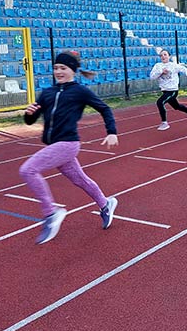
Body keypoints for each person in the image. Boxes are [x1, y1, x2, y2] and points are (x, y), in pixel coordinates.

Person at [19, 51, 119, 245]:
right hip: (54, 145)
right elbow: (31, 120)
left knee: (28, 170)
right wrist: (28, 114)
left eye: (63, 68)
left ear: (73, 70)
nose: (58, 71)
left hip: (68, 144)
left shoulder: (80, 92)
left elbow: (104, 109)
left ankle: (51, 213)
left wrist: (111, 131)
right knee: (81, 180)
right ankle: (106, 204)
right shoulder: (47, 93)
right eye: (56, 68)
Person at [150, 49, 187, 130]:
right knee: (176, 106)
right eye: (161, 55)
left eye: (165, 54)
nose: (163, 56)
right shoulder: (158, 66)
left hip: (173, 90)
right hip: (164, 90)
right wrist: (161, 72)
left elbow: (184, 69)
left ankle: (164, 122)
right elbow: (152, 77)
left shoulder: (173, 65)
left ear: (169, 56)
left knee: (160, 102)